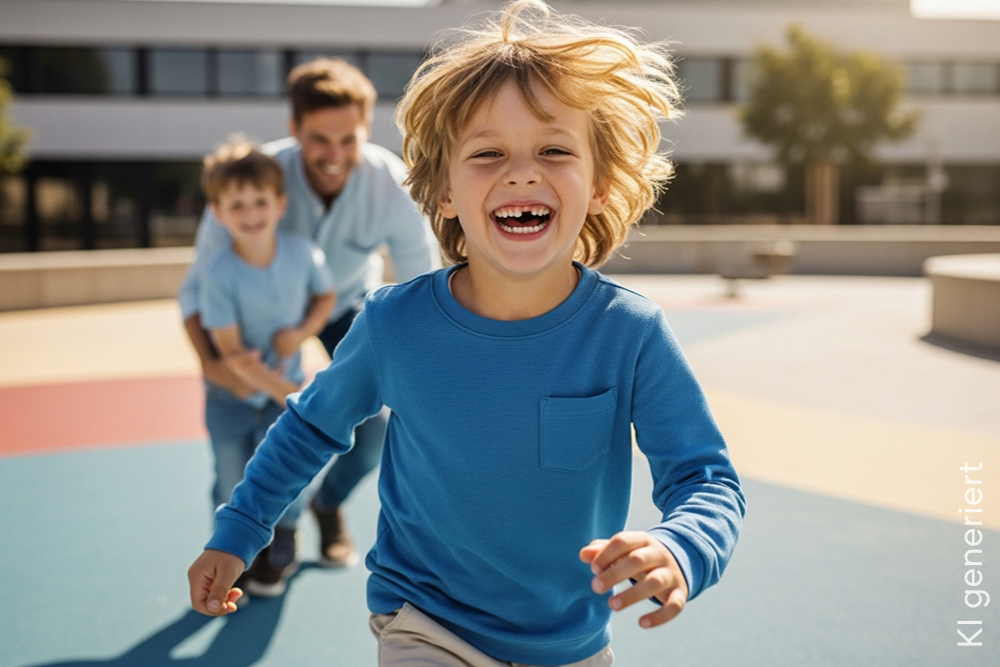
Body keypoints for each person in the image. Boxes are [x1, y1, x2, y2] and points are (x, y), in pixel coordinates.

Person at [187, 1, 746, 664]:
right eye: (488, 153)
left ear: (598, 183)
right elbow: (309, 428)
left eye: (554, 149)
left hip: (569, 641)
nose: (522, 171)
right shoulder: (394, 324)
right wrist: (242, 527)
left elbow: (705, 476)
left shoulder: (631, 333)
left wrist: (682, 546)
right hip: (423, 619)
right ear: (443, 192)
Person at [177, 58, 441, 573]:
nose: (335, 155)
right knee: (269, 427)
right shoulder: (251, 180)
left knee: (378, 428)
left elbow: (420, 286)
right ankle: (277, 528)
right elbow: (196, 288)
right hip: (270, 321)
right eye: (320, 139)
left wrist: (421, 375)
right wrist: (211, 364)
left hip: (346, 307)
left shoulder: (391, 184)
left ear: (366, 127)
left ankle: (329, 502)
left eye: (349, 139)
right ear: (294, 127)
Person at [193, 138, 335, 597]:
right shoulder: (218, 273)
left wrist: (302, 332)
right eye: (236, 205)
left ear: (280, 204)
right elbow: (232, 355)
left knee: (287, 472)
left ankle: (284, 535)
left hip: (280, 394)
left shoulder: (303, 253)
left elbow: (325, 296)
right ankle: (231, 549)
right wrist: (285, 392)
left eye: (260, 201)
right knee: (230, 478)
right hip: (233, 398)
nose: (250, 213)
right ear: (218, 213)